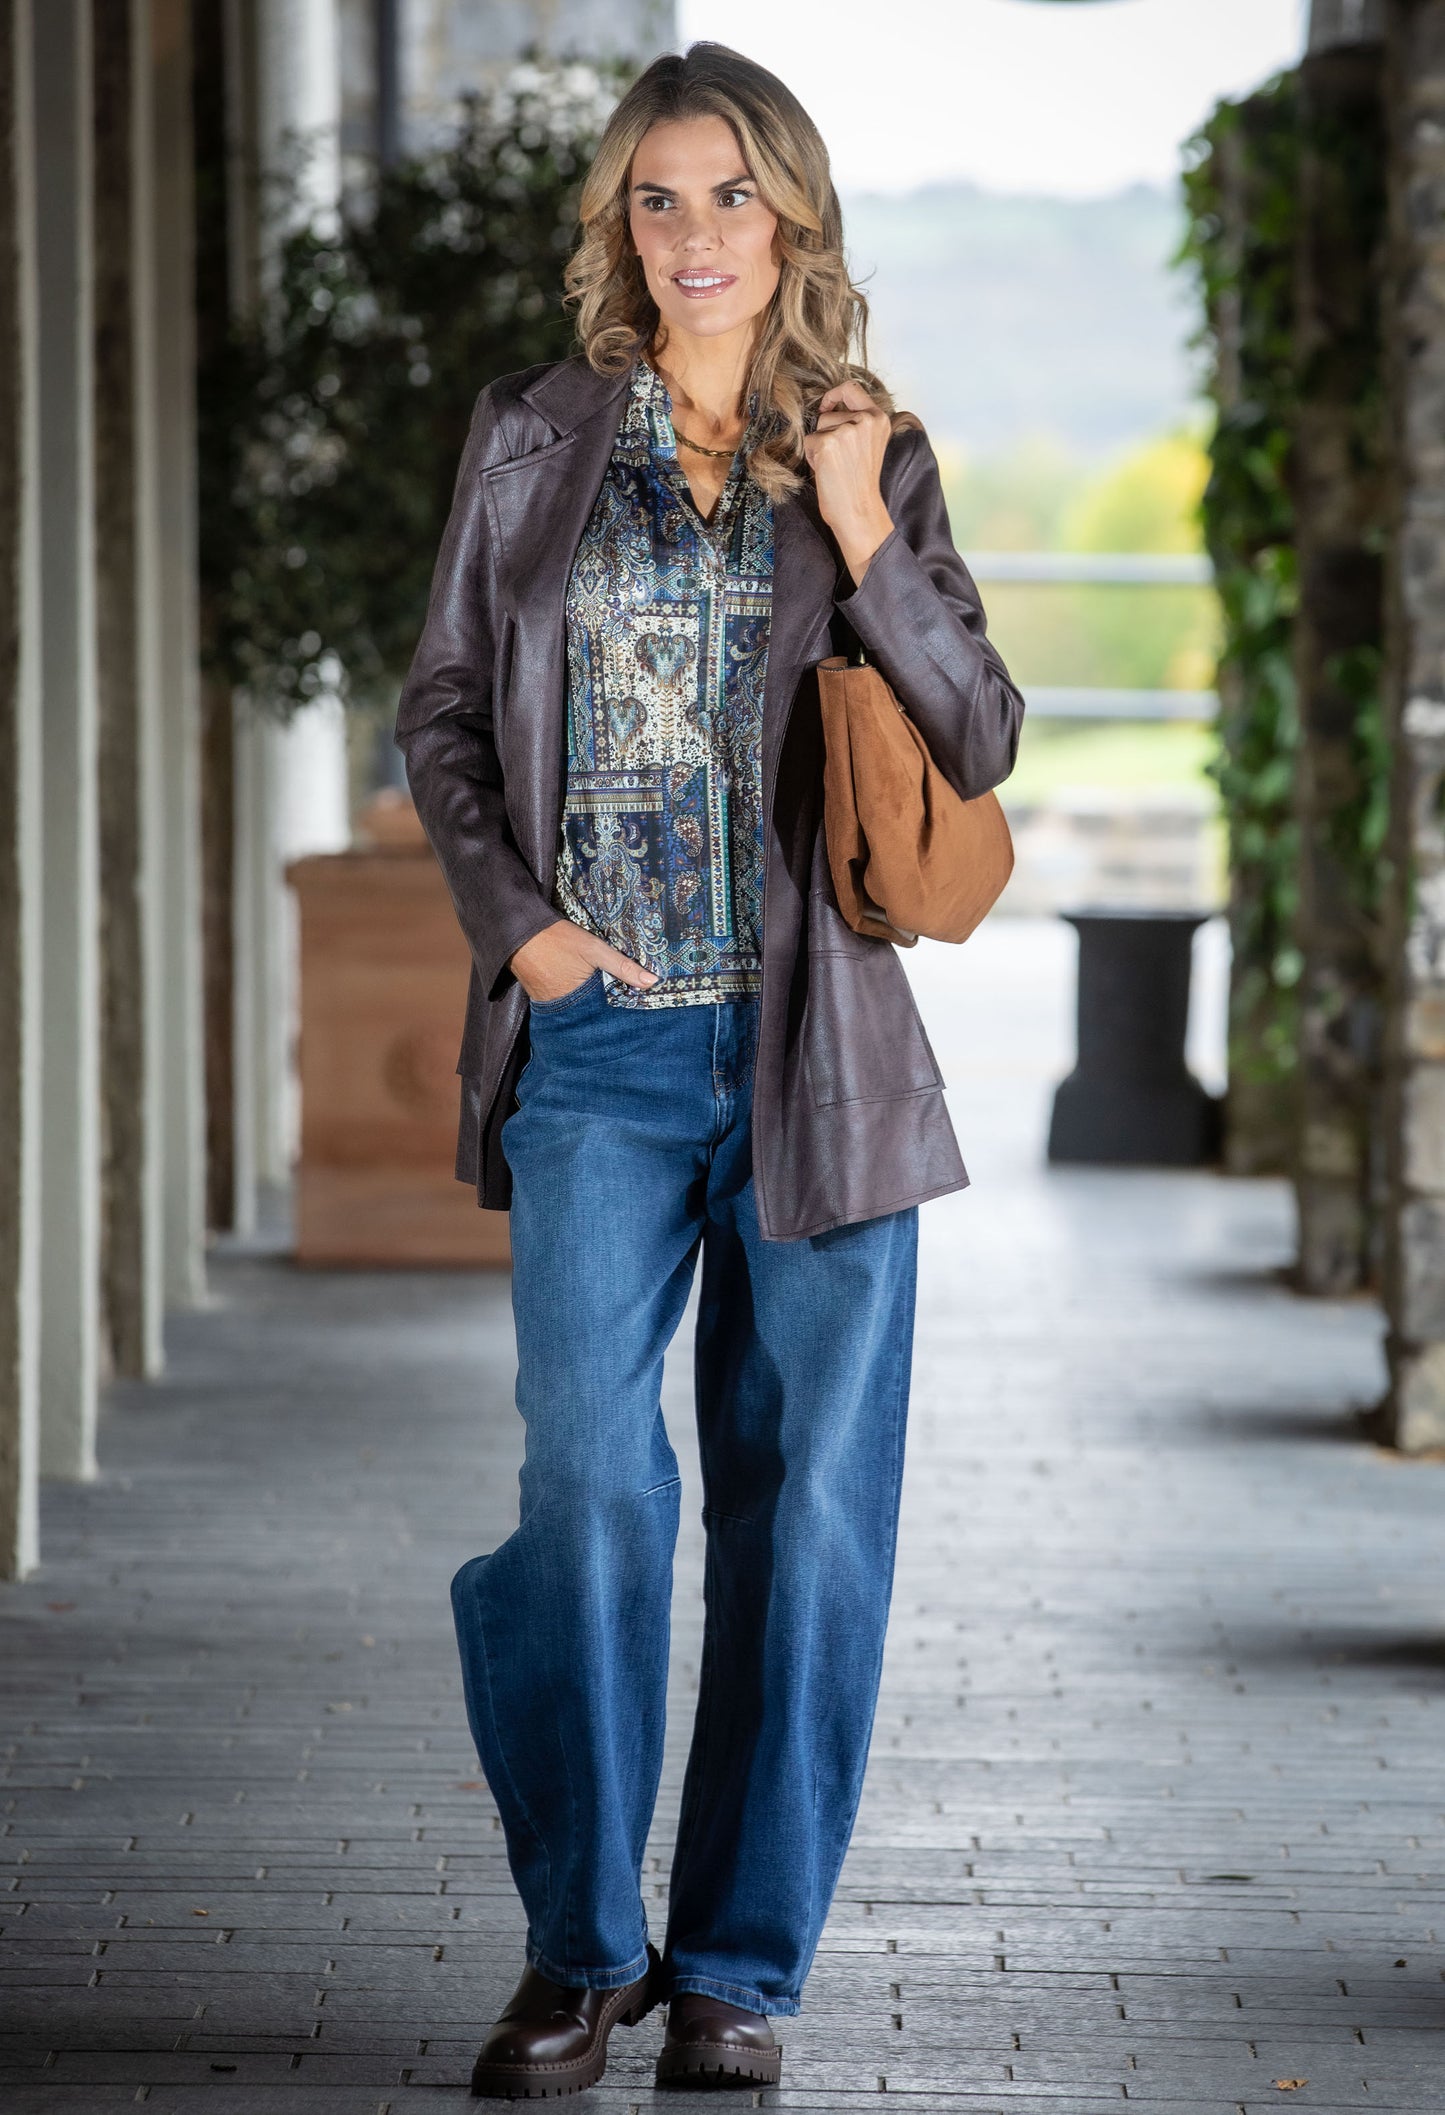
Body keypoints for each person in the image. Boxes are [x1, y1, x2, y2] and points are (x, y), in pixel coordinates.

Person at [394, 40, 1024, 2100]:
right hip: (597, 1044)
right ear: (619, 224)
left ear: (793, 215)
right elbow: (446, 713)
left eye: (731, 195)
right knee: (587, 1479)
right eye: (658, 198)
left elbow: (979, 732)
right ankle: (583, 1947)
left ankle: (741, 1967)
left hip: (816, 1052)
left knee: (808, 1513)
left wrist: (859, 524)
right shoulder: (530, 436)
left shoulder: (866, 450)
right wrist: (524, 929)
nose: (695, 235)